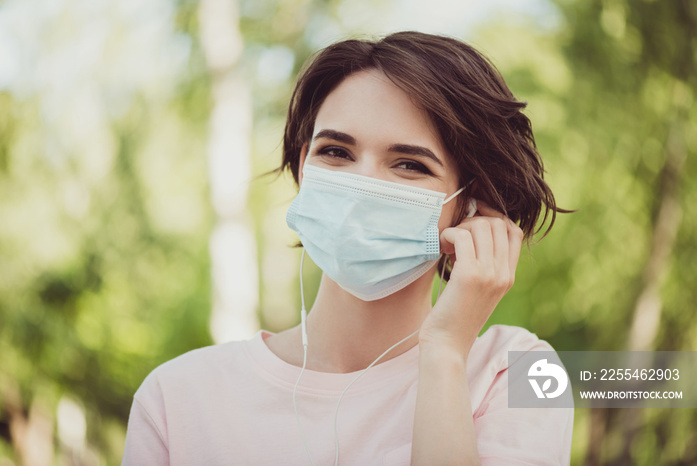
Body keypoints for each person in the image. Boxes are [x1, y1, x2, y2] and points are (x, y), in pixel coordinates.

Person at [122, 31, 573, 465]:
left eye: (409, 164)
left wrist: (444, 352)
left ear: (471, 206)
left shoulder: (521, 373)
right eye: (336, 152)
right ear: (303, 168)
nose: (362, 184)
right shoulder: (175, 397)